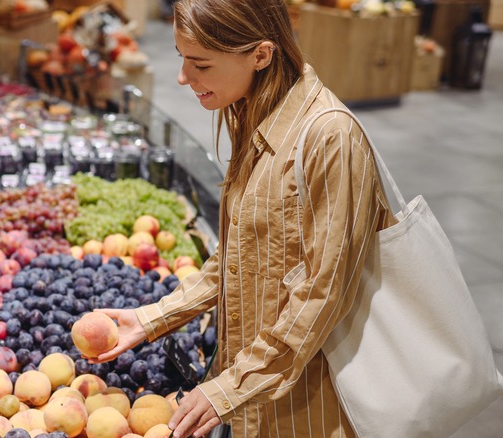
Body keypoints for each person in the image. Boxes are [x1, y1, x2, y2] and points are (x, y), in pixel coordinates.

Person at [90, 0, 396, 437]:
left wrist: (230, 387)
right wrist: (151, 318)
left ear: (261, 54)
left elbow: (322, 293)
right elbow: (238, 257)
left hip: (309, 408)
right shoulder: (254, 111)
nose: (183, 77)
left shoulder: (330, 138)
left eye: (200, 64)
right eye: (181, 58)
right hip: (255, 399)